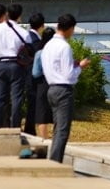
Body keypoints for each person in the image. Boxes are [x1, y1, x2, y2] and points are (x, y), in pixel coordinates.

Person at [43, 14, 90, 163]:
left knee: (57, 128)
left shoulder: (48, 45)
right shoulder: (64, 47)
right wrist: (80, 67)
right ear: (70, 28)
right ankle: (55, 162)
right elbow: (69, 75)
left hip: (51, 88)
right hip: (63, 90)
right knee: (63, 130)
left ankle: (54, 159)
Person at [0, 3, 32, 128]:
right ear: (20, 16)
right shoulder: (23, 32)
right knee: (16, 98)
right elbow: (28, 50)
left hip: (0, 64)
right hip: (17, 65)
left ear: (7, 14)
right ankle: (15, 126)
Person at [23, 12, 46, 135]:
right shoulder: (36, 41)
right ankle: (29, 129)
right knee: (33, 103)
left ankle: (28, 128)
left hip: (23, 73)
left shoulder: (26, 36)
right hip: (32, 76)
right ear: (42, 26)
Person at [31, 27, 56, 139]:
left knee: (42, 113)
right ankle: (57, 138)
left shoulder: (40, 53)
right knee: (57, 112)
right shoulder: (58, 51)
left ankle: (44, 139)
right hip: (57, 82)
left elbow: (35, 73)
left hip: (43, 83)